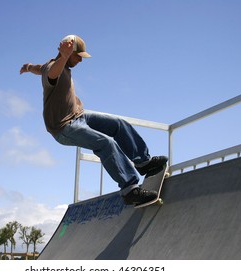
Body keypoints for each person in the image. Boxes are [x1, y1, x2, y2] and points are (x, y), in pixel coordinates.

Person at [20, 34, 168, 206]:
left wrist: (29, 67)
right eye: (78, 57)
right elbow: (51, 73)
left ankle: (143, 162)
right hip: (64, 127)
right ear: (68, 53)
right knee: (106, 144)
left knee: (118, 124)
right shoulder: (54, 68)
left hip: (79, 115)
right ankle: (130, 190)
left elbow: (40, 68)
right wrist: (65, 56)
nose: (80, 61)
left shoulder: (48, 66)